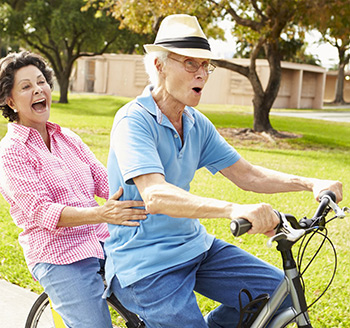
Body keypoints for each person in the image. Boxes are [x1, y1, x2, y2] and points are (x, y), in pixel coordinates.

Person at [105, 14, 343, 328]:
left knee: (281, 294)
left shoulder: (194, 122)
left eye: (206, 65)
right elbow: (155, 195)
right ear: (159, 65)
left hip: (194, 246)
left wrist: (310, 182)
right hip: (146, 263)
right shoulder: (133, 121)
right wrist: (233, 209)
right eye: (191, 63)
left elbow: (248, 175)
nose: (202, 73)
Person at [0, 51, 147, 328]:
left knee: (161, 299)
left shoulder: (68, 138)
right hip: (58, 256)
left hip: (103, 243)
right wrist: (101, 214)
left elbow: (106, 182)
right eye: (26, 86)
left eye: (41, 81)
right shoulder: (10, 153)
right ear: (10, 101)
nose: (38, 90)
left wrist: (150, 189)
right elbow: (42, 212)